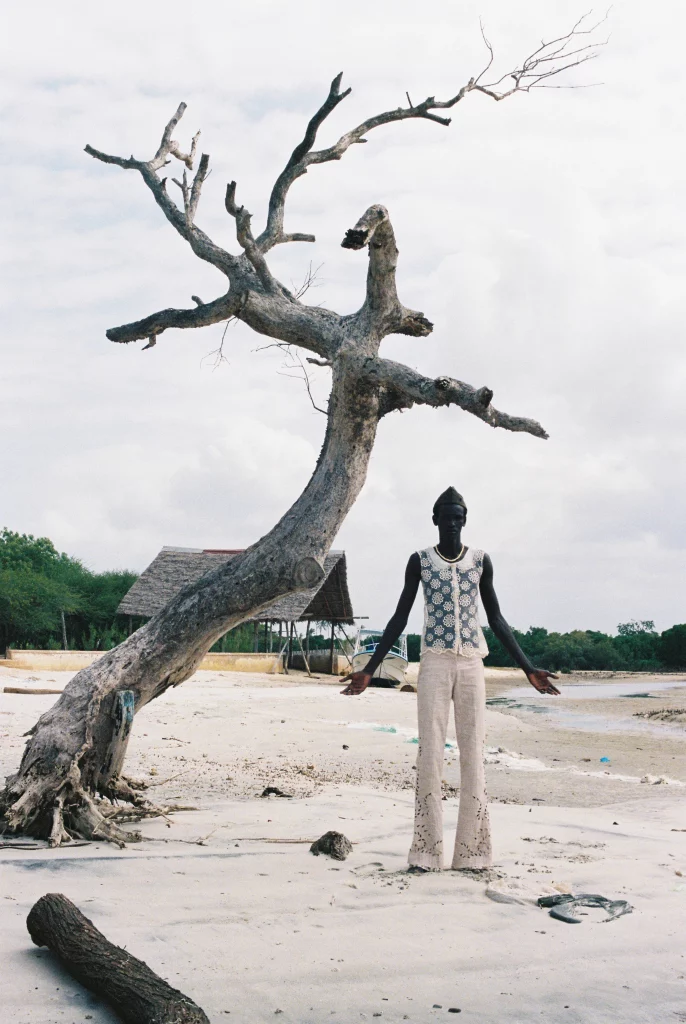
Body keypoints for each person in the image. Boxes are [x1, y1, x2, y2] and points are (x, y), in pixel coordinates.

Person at [341, 486, 559, 873]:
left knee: (473, 754)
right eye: (447, 517)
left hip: (473, 664)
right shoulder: (420, 561)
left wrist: (528, 668)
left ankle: (474, 855)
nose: (453, 523)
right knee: (430, 755)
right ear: (435, 519)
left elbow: (496, 619)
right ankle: (425, 854)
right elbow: (399, 617)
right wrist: (369, 670)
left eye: (459, 517)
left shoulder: (480, 561)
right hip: (434, 666)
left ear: (464, 520)